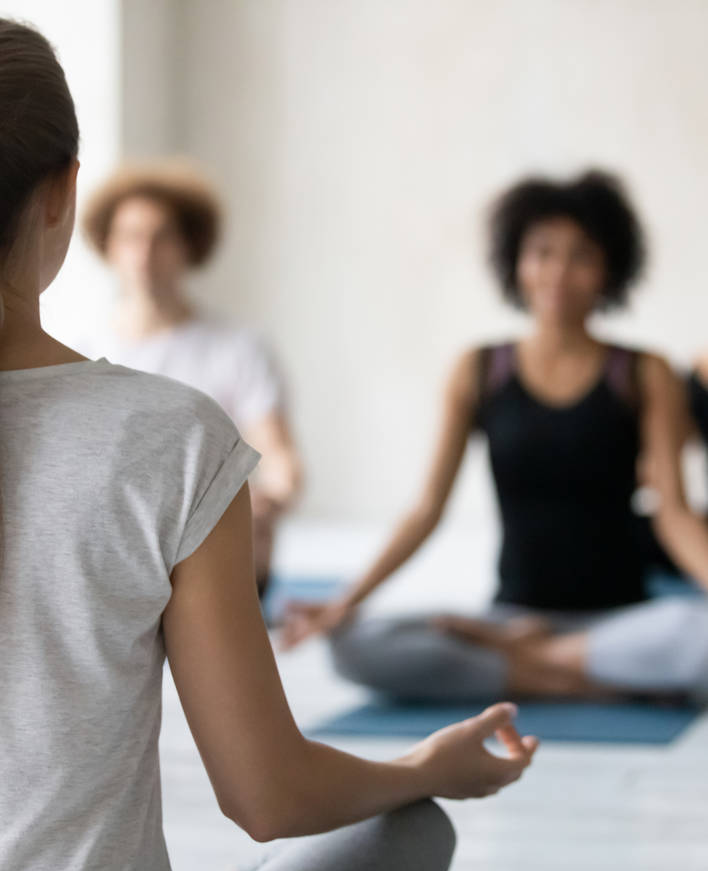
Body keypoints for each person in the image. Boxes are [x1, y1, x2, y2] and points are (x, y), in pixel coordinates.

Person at [0, 17, 537, 871]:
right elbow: (266, 796)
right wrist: (425, 767)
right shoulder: (169, 438)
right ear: (63, 194)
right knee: (410, 832)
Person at [283, 170, 708, 705]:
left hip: (619, 620)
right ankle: (597, 682)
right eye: (543, 252)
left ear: (608, 270)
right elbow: (426, 509)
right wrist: (344, 602)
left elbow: (673, 514)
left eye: (581, 255)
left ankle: (535, 663)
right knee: (352, 645)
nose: (558, 272)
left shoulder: (645, 372)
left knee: (698, 635)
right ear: (517, 264)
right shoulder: (479, 369)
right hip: (510, 614)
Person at [83, 162, 302, 601]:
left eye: (160, 236)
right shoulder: (80, 349)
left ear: (189, 246)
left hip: (209, 551)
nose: (144, 252)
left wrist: (266, 503)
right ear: (108, 245)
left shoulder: (237, 348)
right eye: (130, 236)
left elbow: (281, 460)